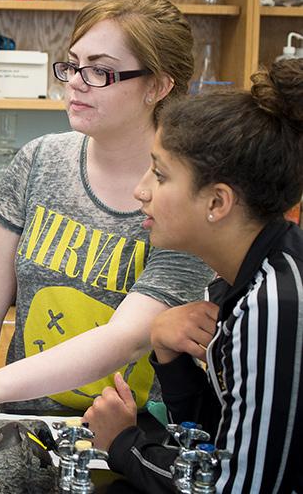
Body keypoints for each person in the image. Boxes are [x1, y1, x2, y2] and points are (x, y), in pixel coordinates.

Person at [0, 0, 213, 422]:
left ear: (159, 86)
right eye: (73, 64)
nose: (74, 80)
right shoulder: (39, 161)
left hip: (131, 435)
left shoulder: (186, 195)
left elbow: (127, 337)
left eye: (100, 72)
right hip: (22, 421)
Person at [83, 59, 303, 493]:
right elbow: (215, 439)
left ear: (217, 203)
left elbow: (236, 484)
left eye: (160, 175)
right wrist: (169, 353)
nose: (140, 190)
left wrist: (124, 444)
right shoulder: (232, 282)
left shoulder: (274, 303)